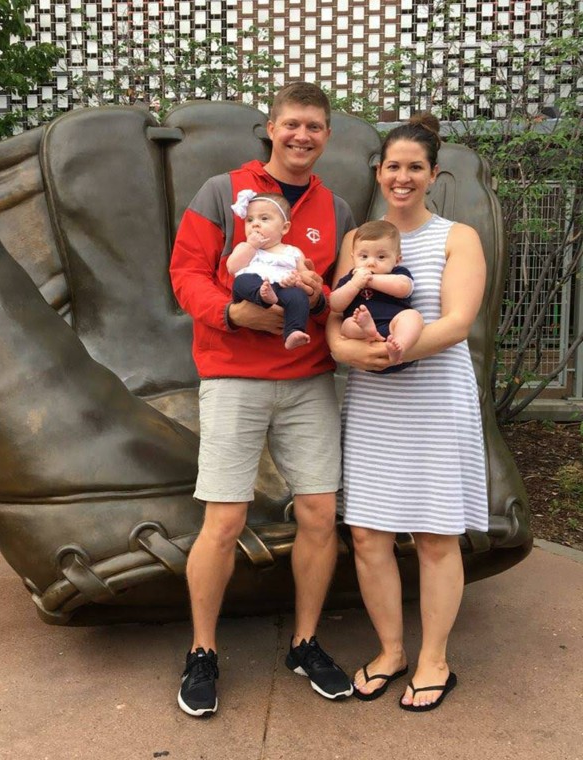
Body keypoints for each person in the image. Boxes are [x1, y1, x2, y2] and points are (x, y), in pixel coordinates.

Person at [169, 81, 356, 717]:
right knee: (223, 521)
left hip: (308, 379)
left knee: (318, 515)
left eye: (315, 126)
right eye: (291, 124)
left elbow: (343, 289)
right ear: (270, 128)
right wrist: (230, 313)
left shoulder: (337, 209)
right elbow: (185, 272)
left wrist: (323, 295)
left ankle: (304, 642)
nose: (302, 136)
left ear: (326, 135)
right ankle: (202, 651)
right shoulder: (223, 192)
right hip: (233, 375)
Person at [326, 113, 489, 711]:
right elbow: (334, 321)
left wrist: (391, 352)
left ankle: (434, 660)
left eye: (414, 167)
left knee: (434, 535)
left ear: (432, 174)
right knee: (368, 534)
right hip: (371, 401)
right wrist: (350, 351)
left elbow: (456, 322)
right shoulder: (358, 239)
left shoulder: (456, 237)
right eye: (392, 166)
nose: (402, 176)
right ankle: (392, 650)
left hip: (433, 399)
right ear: (379, 171)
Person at [329, 220, 424, 371]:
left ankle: (399, 347)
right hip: (363, 337)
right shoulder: (350, 280)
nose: (371, 263)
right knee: (347, 325)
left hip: (393, 328)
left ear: (397, 260)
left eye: (381, 257)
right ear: (353, 257)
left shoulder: (398, 273)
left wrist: (370, 281)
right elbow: (335, 304)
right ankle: (369, 330)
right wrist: (354, 285)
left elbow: (403, 288)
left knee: (413, 316)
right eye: (364, 256)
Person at [228, 190, 312, 350]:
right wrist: (252, 246)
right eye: (249, 220)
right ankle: (262, 295)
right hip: (254, 288)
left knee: (298, 297)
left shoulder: (293, 252)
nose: (255, 224)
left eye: (264, 219)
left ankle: (294, 331)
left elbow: (304, 275)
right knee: (241, 281)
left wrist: (296, 280)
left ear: (284, 228)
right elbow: (233, 268)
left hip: (282, 288)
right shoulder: (246, 247)